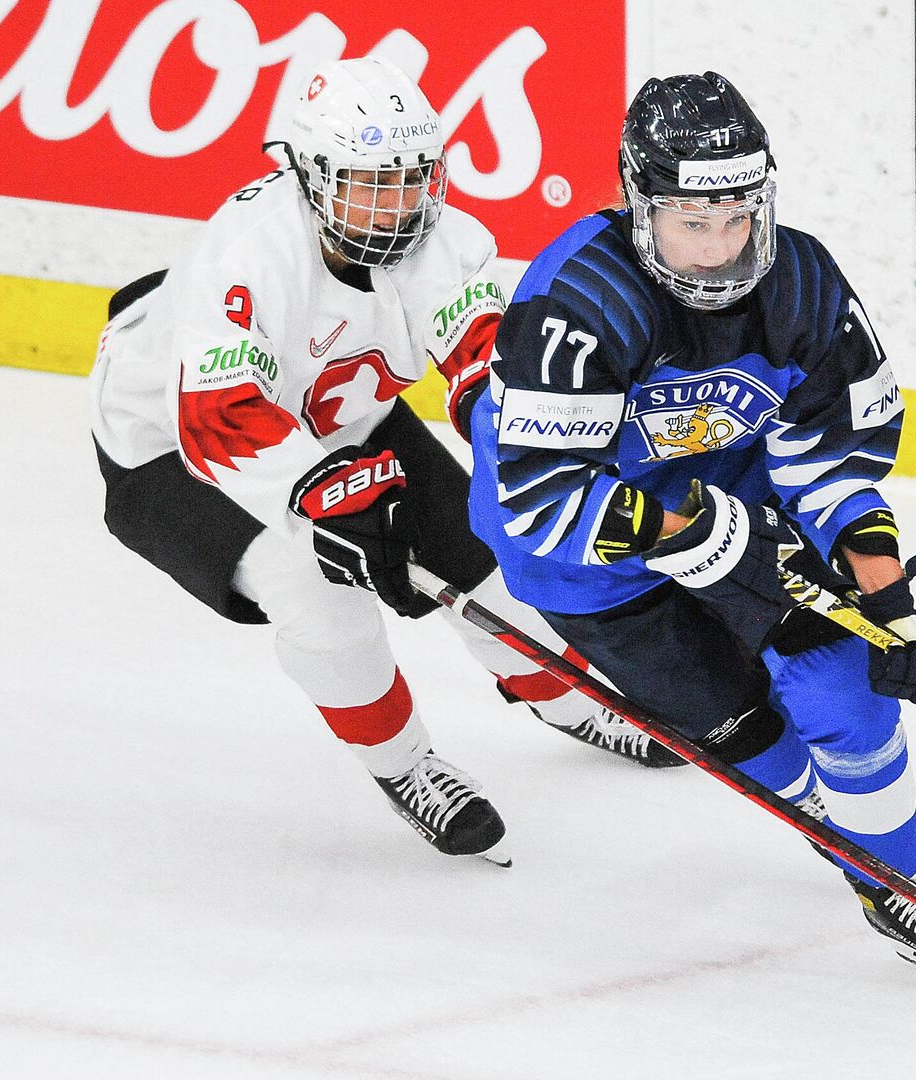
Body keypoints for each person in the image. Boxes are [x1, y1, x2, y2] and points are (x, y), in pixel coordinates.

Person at [465, 71, 916, 986]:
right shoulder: (580, 298)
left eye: (737, 217)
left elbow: (832, 458)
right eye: (691, 221)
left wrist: (890, 594)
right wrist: (687, 530)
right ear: (642, 208)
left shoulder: (800, 281)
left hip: (738, 516)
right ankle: (842, 841)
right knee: (748, 736)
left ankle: (896, 889)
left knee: (848, 691)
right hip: (588, 566)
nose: (719, 249)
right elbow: (542, 496)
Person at [88, 57, 680, 868]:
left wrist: (539, 451)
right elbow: (217, 422)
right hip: (170, 448)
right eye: (369, 181)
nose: (398, 203)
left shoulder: (453, 243)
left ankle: (564, 696)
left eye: (410, 176)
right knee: (319, 596)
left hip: (343, 418)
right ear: (305, 175)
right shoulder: (248, 255)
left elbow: (484, 370)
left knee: (487, 558)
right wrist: (331, 497)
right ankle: (407, 767)